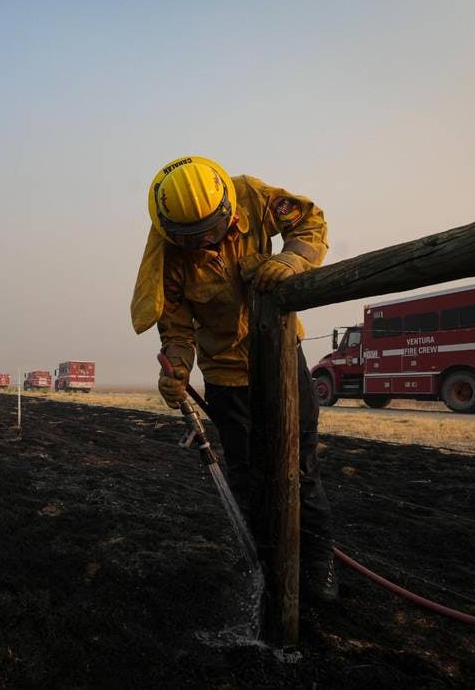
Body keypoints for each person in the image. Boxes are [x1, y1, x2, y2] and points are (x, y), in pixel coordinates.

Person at [130, 155, 338, 604]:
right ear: (171, 231)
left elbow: (310, 223)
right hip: (226, 376)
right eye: (194, 237)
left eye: (213, 228)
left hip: (282, 356)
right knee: (248, 475)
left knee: (300, 467)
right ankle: (267, 566)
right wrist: (178, 369)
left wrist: (291, 261)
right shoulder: (168, 257)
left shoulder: (254, 195)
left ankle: (318, 571)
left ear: (227, 206)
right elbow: (177, 326)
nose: (208, 240)